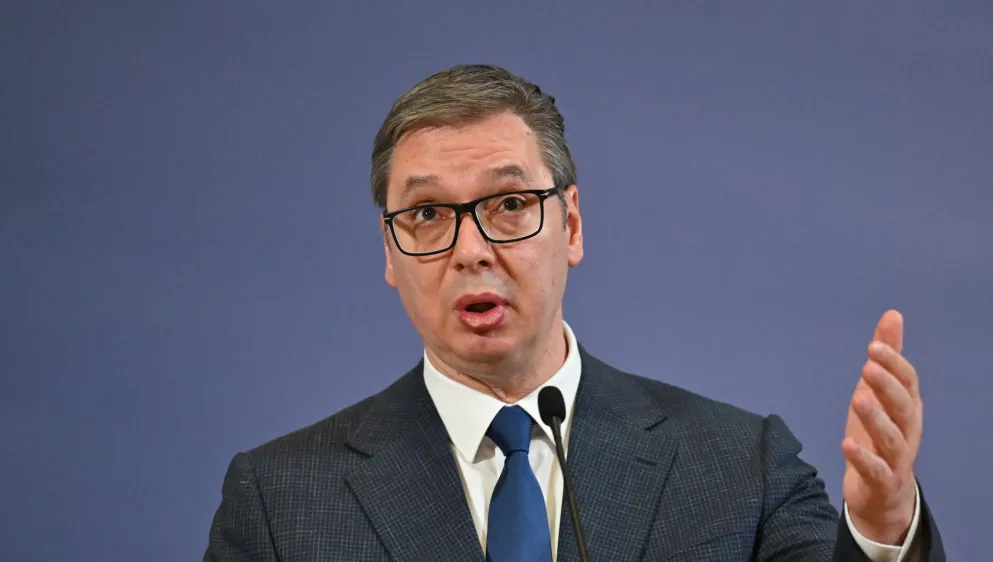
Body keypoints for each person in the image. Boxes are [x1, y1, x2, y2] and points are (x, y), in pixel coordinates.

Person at [204, 64, 945, 561]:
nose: (471, 249)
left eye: (509, 203)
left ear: (574, 226)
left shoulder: (740, 465)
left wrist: (882, 531)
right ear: (390, 253)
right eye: (428, 213)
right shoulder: (281, 501)